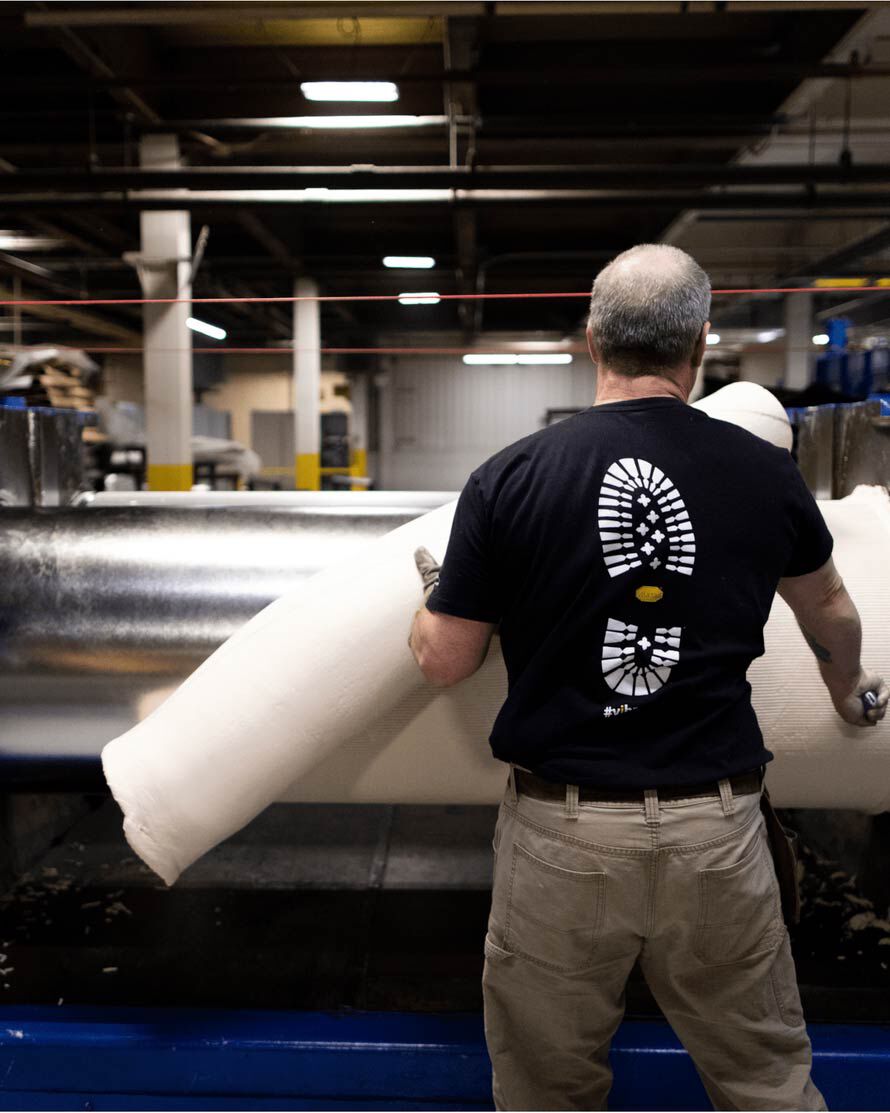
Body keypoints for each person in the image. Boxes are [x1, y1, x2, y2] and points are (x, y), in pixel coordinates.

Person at [407, 243, 889, 1112]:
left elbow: (446, 658)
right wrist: (849, 694)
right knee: (765, 1082)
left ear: (592, 339)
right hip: (718, 830)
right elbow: (832, 611)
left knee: (549, 1091)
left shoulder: (512, 477)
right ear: (700, 342)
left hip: (566, 835)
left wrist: (433, 593)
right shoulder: (764, 472)